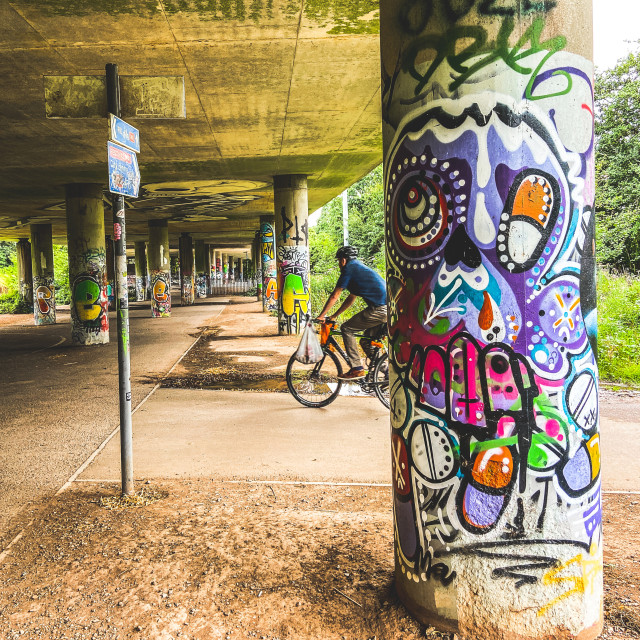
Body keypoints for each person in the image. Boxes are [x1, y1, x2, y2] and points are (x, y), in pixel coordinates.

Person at [316, 246, 387, 380]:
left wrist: (321, 316)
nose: (338, 264)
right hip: (386, 309)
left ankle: (357, 369)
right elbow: (351, 298)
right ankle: (385, 370)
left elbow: (335, 295)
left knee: (346, 328)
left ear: (343, 260)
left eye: (338, 261)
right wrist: (333, 316)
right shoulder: (358, 268)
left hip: (379, 309)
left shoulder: (349, 269)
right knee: (366, 342)